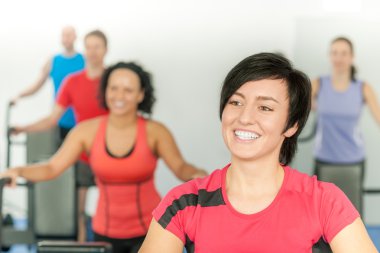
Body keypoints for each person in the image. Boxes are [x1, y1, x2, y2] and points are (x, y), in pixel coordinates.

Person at [138, 53, 378, 253]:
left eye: (264, 107)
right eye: (236, 102)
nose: (244, 117)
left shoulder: (325, 202)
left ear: (292, 125)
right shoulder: (185, 202)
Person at [1, 61, 207, 253]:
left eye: (128, 90)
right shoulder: (86, 131)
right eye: (114, 88)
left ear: (140, 95)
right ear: (105, 90)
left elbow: (180, 168)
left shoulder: (156, 132)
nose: (119, 95)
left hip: (153, 228)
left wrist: (198, 175)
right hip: (104, 232)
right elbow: (52, 167)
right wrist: (18, 171)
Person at [11, 29, 109, 242]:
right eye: (89, 46)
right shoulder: (71, 80)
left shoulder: (113, 80)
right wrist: (23, 127)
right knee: (80, 209)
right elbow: (51, 117)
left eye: (97, 47)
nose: (92, 52)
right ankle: (82, 244)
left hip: (110, 153)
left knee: (110, 208)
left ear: (105, 49)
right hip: (82, 151)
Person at [311, 37, 380, 214]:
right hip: (324, 158)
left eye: (343, 53)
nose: (338, 58)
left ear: (352, 57)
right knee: (322, 211)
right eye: (334, 52)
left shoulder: (362, 88)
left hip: (353, 160)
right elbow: (298, 110)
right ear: (329, 56)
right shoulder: (318, 84)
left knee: (352, 212)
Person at [11, 25, 85, 140]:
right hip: (60, 120)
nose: (66, 39)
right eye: (64, 36)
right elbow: (37, 85)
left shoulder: (85, 60)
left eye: (69, 35)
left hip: (82, 120)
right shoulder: (53, 61)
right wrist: (19, 96)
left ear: (75, 37)